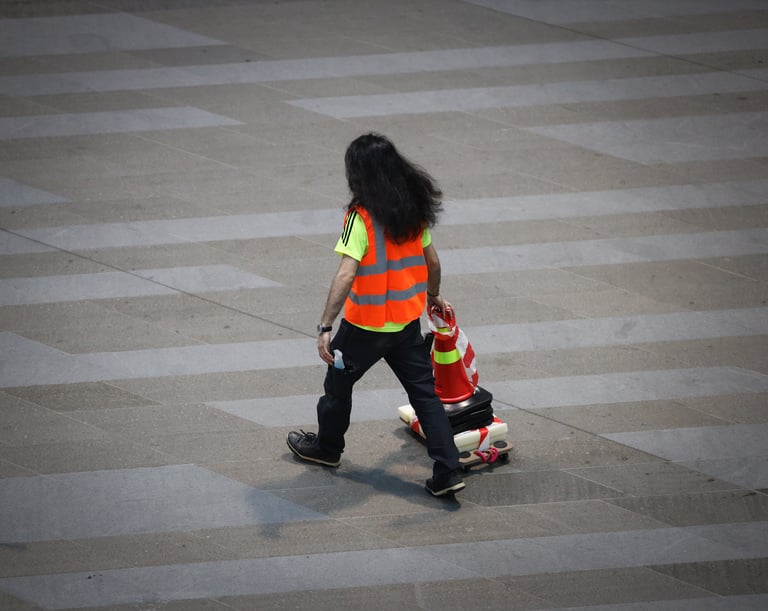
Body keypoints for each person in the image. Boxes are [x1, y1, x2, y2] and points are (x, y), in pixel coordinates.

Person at [286, 133, 465, 497]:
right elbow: (432, 261)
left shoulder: (361, 218)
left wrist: (325, 326)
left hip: (363, 328)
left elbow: (346, 274)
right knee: (425, 396)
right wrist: (433, 295)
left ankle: (327, 449)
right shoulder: (413, 210)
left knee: (337, 387)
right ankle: (448, 471)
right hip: (406, 325)